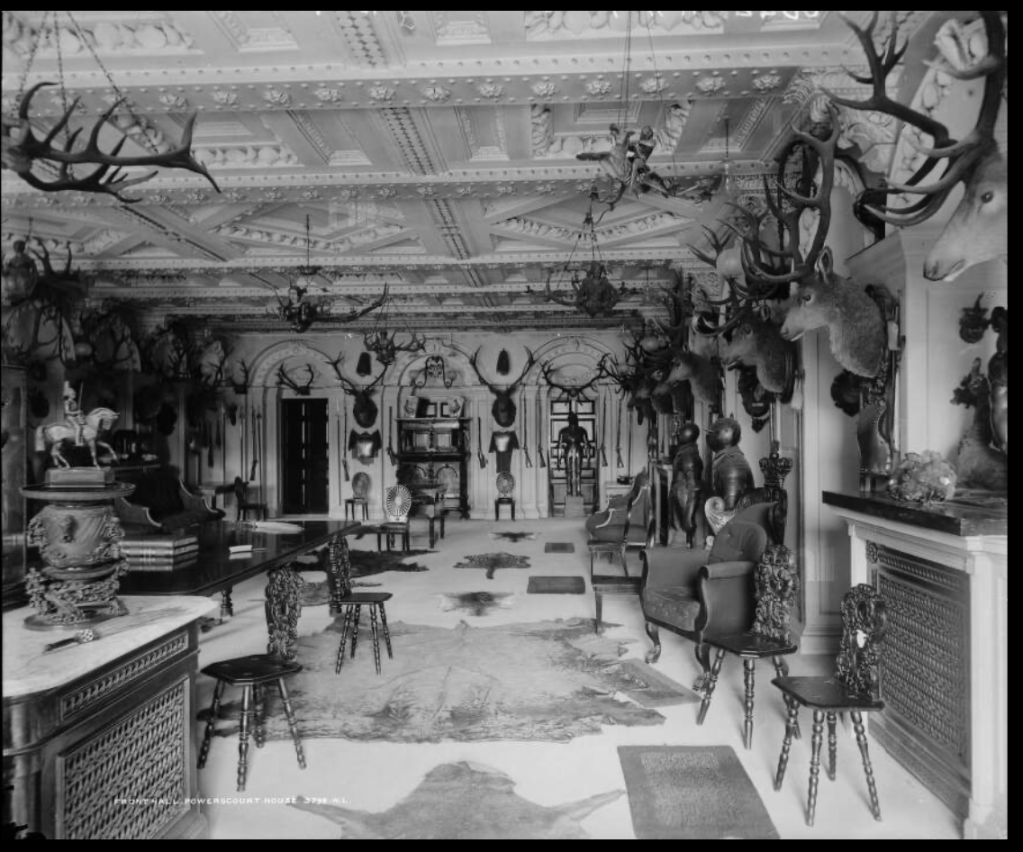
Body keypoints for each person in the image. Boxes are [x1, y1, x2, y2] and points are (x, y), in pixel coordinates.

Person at [706, 416, 755, 510]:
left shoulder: (731, 463)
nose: (710, 437)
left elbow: (732, 510)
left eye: (715, 432)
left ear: (727, 433)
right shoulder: (725, 459)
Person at [671, 423, 704, 548]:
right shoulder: (684, 452)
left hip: (686, 498)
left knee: (686, 537)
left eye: (680, 432)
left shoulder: (689, 456)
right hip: (681, 496)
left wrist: (688, 518)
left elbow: (694, 489)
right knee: (680, 538)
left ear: (688, 434)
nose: (678, 434)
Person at [556, 412, 591, 497]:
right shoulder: (563, 431)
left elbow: (587, 445)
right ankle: (569, 491)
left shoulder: (582, 431)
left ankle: (578, 490)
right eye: (572, 418)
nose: (573, 420)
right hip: (568, 450)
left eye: (574, 418)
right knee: (568, 471)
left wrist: (588, 459)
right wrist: (559, 459)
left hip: (578, 450)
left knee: (578, 471)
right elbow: (560, 447)